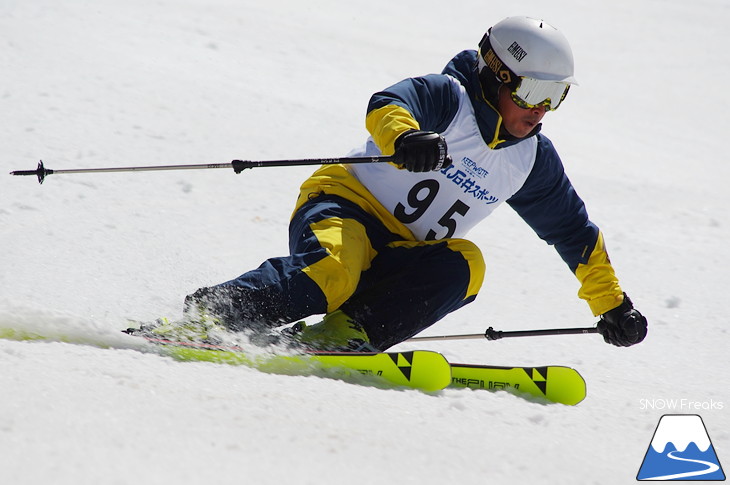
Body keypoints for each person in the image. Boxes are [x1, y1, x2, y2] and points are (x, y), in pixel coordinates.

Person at [176, 16, 648, 351]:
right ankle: (212, 314)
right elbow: (388, 103)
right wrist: (404, 137)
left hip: (402, 255)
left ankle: (344, 336)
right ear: (497, 74)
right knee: (333, 273)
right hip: (345, 208)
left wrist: (612, 305)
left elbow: (574, 234)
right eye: (533, 92)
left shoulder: (530, 160)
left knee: (467, 264)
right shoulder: (449, 97)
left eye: (556, 96)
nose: (541, 109)